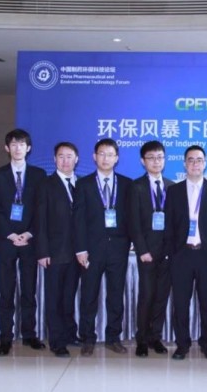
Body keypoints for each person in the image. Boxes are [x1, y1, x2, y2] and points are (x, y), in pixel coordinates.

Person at [164, 145, 207, 361]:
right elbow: (169, 224)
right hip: (181, 255)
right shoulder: (174, 191)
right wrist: (172, 252)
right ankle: (182, 344)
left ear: (205, 163)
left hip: (206, 255)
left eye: (199, 160)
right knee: (181, 303)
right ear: (184, 164)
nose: (195, 164)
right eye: (190, 160)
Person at [0, 128, 47, 356]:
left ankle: (29, 334)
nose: (17, 148)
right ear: (7, 148)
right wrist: (11, 234)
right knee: (6, 290)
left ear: (28, 148)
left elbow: (41, 209)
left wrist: (29, 233)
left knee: (29, 291)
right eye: (13, 144)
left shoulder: (39, 175)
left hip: (30, 241)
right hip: (7, 241)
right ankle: (6, 337)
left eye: (21, 144)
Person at [75, 138, 134, 356]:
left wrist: (131, 241)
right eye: (101, 154)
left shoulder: (127, 184)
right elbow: (78, 220)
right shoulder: (83, 184)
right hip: (92, 249)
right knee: (89, 294)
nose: (105, 158)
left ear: (117, 158)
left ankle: (113, 337)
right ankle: (87, 338)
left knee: (116, 295)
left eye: (110, 154)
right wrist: (81, 249)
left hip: (119, 248)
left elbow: (131, 217)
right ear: (94, 157)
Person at [35, 142, 82, 358]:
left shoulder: (82, 184)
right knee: (54, 298)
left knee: (69, 296)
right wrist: (42, 251)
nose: (65, 161)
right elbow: (40, 221)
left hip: (77, 253)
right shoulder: (46, 185)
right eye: (61, 156)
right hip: (54, 253)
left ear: (77, 159)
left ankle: (70, 333)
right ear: (54, 160)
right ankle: (56, 340)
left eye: (69, 156)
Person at [130, 140, 174, 358]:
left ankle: (155, 337)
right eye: (151, 158)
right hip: (147, 252)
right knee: (147, 296)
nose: (156, 162)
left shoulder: (172, 186)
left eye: (159, 157)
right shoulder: (136, 187)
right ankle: (142, 339)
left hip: (168, 252)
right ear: (142, 161)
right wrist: (142, 250)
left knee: (161, 296)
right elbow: (134, 223)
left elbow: (176, 222)